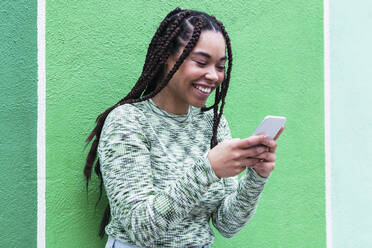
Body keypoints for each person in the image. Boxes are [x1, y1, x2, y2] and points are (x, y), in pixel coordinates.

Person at [84, 8, 284, 248]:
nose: (213, 76)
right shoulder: (128, 121)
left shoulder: (213, 124)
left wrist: (256, 176)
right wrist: (208, 168)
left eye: (220, 67)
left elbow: (227, 225)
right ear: (168, 58)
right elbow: (139, 228)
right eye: (201, 62)